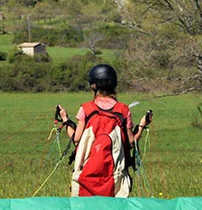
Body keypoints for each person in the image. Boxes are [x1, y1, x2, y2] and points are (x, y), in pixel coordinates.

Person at [57, 64, 152, 197]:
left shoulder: (86, 109)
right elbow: (131, 143)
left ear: (93, 86)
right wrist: (142, 125)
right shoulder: (123, 110)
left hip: (86, 176)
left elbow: (77, 140)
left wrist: (65, 120)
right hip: (114, 178)